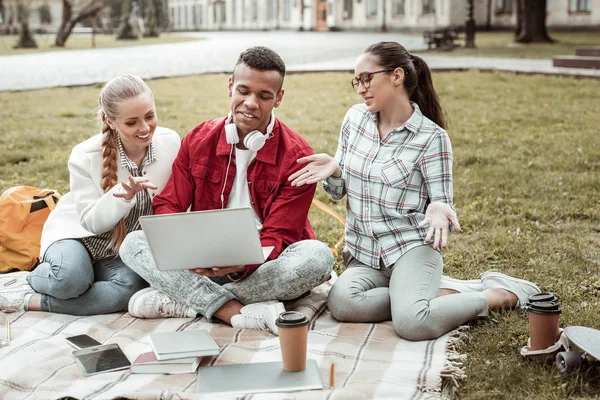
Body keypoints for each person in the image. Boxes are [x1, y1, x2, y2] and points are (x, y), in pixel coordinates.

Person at [288, 41, 541, 341]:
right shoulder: (354, 120)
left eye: (367, 78)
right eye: (357, 80)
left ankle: (497, 295)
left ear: (396, 76)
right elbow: (339, 193)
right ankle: (429, 294)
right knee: (342, 303)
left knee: (412, 324)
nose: (360, 88)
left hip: (410, 249)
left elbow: (441, 203)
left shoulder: (432, 138)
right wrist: (336, 170)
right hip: (365, 255)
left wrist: (439, 210)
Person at [118, 46, 334, 335]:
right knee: (134, 243)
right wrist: (188, 250)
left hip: (261, 267)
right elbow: (168, 205)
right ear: (230, 86)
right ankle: (230, 309)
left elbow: (279, 236)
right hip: (200, 262)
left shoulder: (298, 157)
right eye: (243, 91)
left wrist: (238, 264)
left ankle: (187, 300)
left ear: (278, 98)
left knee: (318, 257)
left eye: (264, 95)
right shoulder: (198, 138)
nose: (251, 103)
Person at [0, 75, 180, 315]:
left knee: (131, 288)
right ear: (111, 121)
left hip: (121, 249)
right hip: (79, 236)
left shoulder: (171, 143)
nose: (145, 128)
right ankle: (35, 280)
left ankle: (31, 301)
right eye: (132, 122)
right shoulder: (85, 155)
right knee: (70, 281)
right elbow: (92, 222)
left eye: (149, 116)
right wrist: (123, 196)